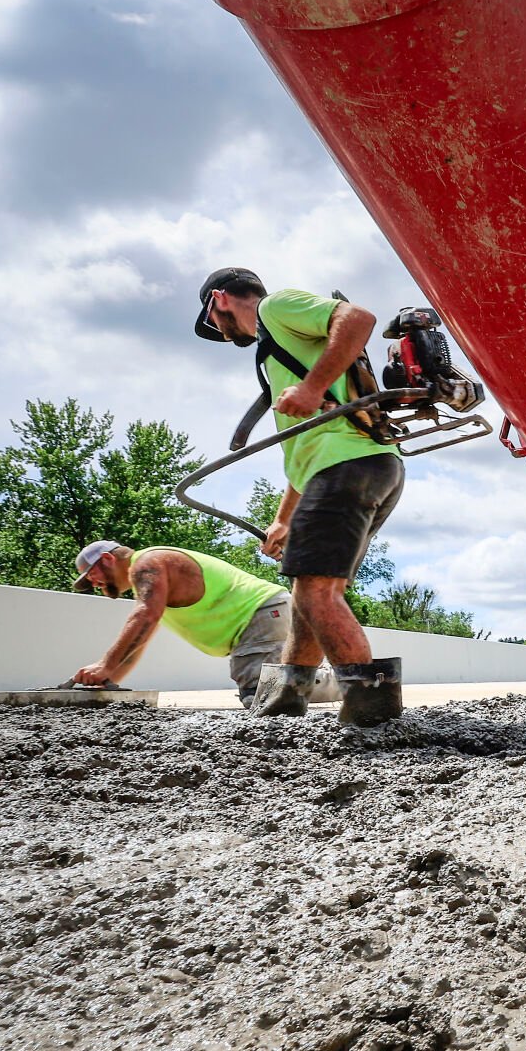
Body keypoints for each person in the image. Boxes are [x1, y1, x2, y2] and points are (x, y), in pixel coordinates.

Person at [194, 267, 404, 721]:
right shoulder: (277, 352)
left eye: (211, 320)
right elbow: (301, 450)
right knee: (310, 590)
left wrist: (312, 388)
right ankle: (282, 699)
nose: (217, 331)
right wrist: (284, 517)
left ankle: (375, 710)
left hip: (345, 466)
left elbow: (358, 318)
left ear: (219, 300)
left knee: (314, 593)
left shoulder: (275, 307)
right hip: (360, 468)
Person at [69, 540, 292, 708]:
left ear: (108, 559)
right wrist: (106, 683)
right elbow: (137, 644)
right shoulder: (155, 587)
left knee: (260, 697)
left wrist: (104, 665)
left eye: (91, 575)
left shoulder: (146, 564)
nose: (93, 583)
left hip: (261, 612)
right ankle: (318, 679)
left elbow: (144, 616)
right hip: (267, 614)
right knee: (284, 687)